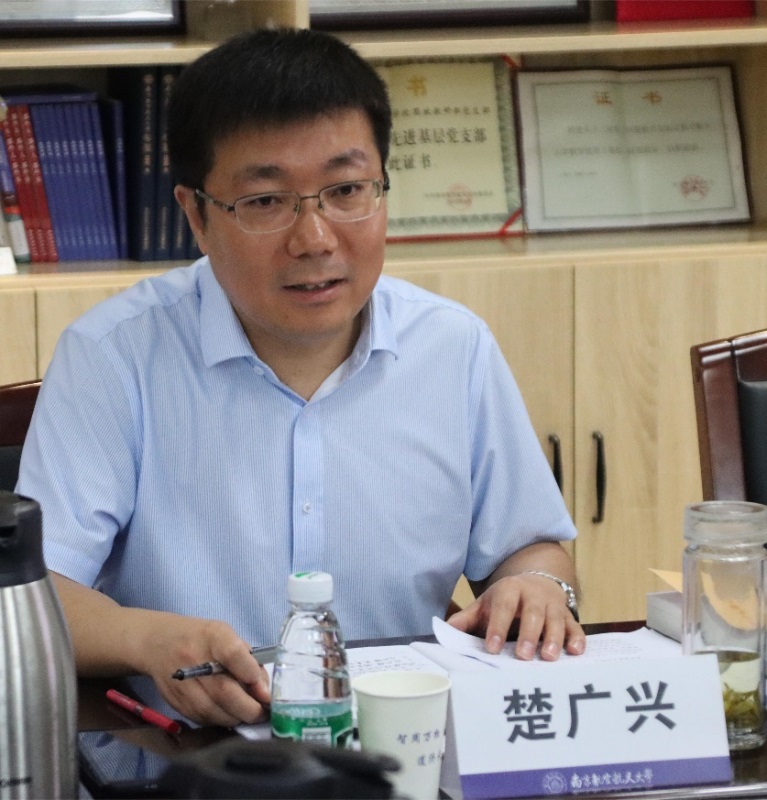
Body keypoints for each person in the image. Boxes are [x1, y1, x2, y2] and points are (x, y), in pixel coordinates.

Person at [16, 27, 585, 727]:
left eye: (346, 191)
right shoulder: (114, 356)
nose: (314, 238)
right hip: (186, 758)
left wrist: (539, 584)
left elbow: (530, 545)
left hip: (405, 750)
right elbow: (32, 592)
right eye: (265, 201)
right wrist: (148, 639)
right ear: (196, 214)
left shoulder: (452, 347)